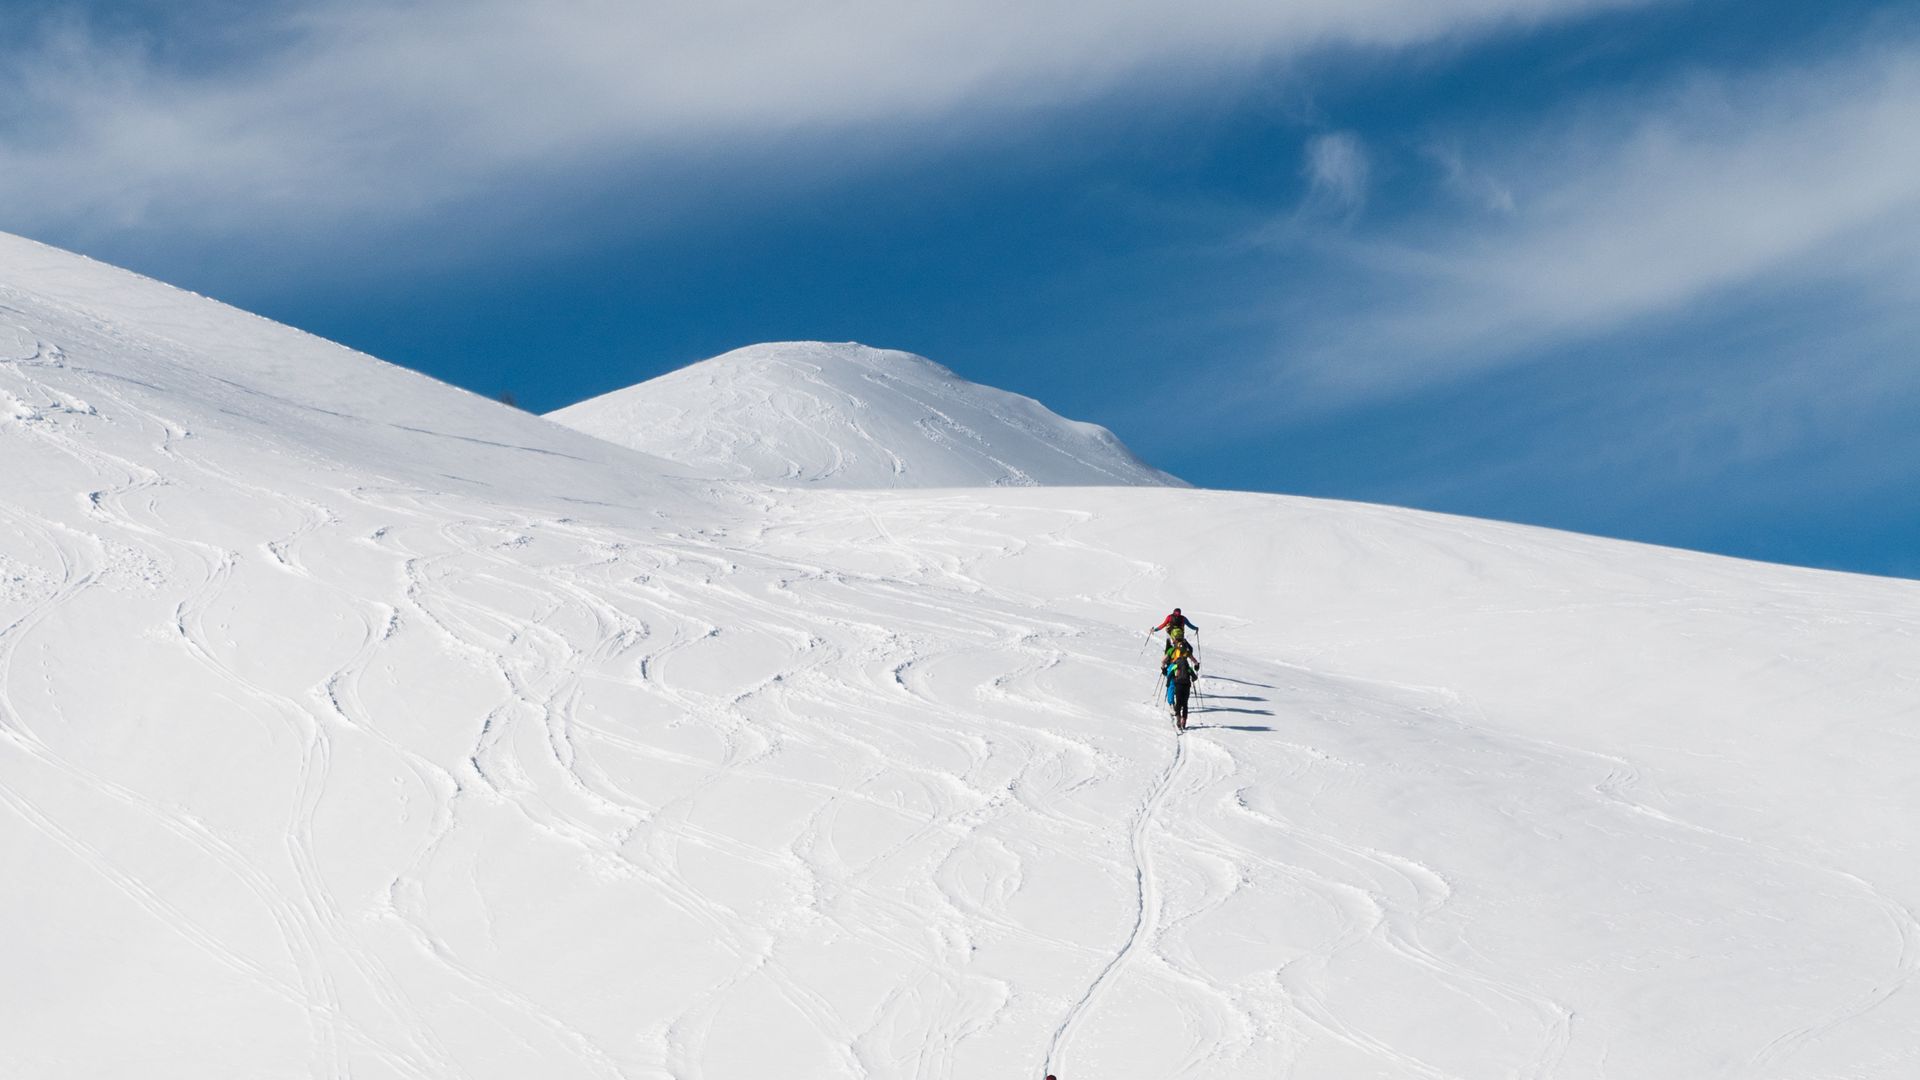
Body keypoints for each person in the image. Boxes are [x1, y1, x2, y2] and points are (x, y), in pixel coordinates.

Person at [1164, 643, 1199, 730]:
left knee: (1178, 704)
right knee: (1185, 704)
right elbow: (1195, 677)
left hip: (1178, 685)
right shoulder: (1188, 668)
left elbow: (1169, 676)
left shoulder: (1175, 665)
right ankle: (1184, 721)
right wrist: (1192, 679)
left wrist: (1168, 684)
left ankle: (1178, 719)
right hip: (1186, 686)